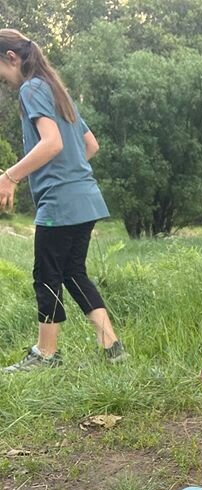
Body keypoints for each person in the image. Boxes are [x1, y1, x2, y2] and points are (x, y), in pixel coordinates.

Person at [0, 29, 127, 372]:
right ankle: (112, 346)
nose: (2, 80)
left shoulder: (31, 88)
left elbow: (52, 143)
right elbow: (91, 145)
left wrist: (10, 176)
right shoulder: (56, 91)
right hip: (85, 199)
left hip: (60, 202)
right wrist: (73, 175)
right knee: (73, 272)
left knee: (46, 275)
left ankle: (46, 355)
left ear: (11, 58)